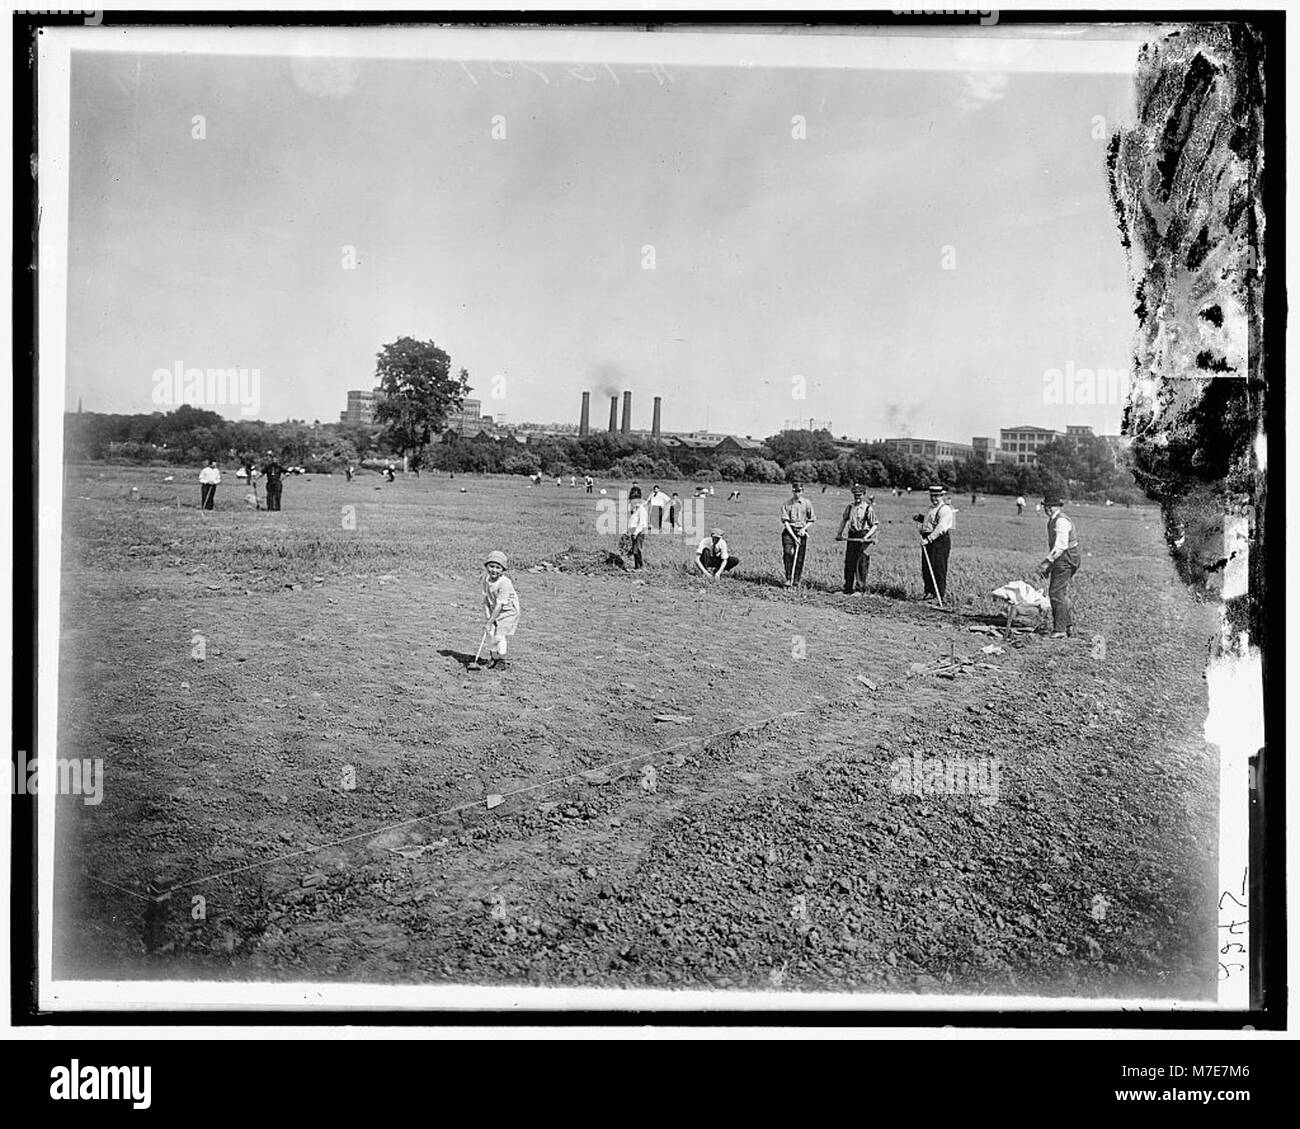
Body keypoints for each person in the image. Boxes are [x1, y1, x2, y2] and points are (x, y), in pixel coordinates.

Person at [1039, 494, 1081, 638]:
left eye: (1049, 507)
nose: (1047, 509)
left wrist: (1046, 562)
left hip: (1067, 558)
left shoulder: (1061, 521)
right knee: (1059, 592)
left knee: (1056, 593)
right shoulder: (1053, 520)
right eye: (1046, 507)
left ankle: (1060, 630)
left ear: (1054, 507)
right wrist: (1050, 565)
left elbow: (1061, 546)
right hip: (1063, 557)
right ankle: (1067, 626)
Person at [835, 484, 878, 595]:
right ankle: (847, 588)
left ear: (863, 495)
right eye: (855, 495)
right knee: (849, 562)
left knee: (861, 563)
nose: (857, 497)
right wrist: (839, 533)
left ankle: (860, 589)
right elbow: (844, 520)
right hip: (852, 535)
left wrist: (866, 537)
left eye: (859, 495)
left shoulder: (868, 508)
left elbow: (874, 525)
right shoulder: (850, 507)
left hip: (863, 535)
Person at [482, 550, 520, 670]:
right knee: (491, 634)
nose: (494, 570)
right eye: (491, 566)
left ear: (502, 570)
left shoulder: (505, 583)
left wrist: (490, 621)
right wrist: (489, 617)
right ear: (486, 566)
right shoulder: (485, 579)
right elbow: (486, 599)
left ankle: (502, 660)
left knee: (499, 636)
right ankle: (493, 658)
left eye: (498, 567)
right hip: (495, 609)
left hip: (508, 611)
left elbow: (500, 605)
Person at [917, 484, 954, 602]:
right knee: (927, 568)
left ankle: (939, 596)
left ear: (942, 496)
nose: (934, 498)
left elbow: (940, 527)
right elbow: (931, 520)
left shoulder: (945, 509)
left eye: (936, 496)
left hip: (939, 541)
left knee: (938, 569)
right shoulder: (931, 508)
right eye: (932, 496)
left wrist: (928, 539)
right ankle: (929, 592)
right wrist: (920, 518)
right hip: (928, 541)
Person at [780, 480, 816, 588]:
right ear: (792, 491)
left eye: (799, 491)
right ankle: (788, 578)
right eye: (795, 491)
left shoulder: (807, 503)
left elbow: (812, 519)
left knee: (800, 557)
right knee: (788, 553)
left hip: (802, 531)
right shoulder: (787, 504)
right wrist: (793, 536)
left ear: (802, 491)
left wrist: (804, 529)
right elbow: (785, 522)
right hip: (789, 531)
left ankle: (796, 580)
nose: (797, 493)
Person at [626, 493, 649, 569]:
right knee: (635, 549)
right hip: (635, 531)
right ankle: (637, 567)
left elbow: (641, 523)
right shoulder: (636, 509)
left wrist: (635, 533)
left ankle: (640, 567)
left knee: (637, 549)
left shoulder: (641, 510)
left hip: (639, 532)